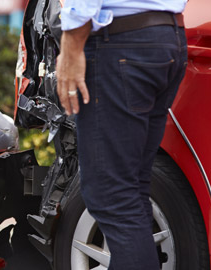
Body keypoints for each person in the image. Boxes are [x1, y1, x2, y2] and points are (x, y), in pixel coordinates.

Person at [55, 0, 187, 269]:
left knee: (111, 195)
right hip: (165, 37)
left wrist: (71, 41)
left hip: (120, 41)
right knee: (130, 190)